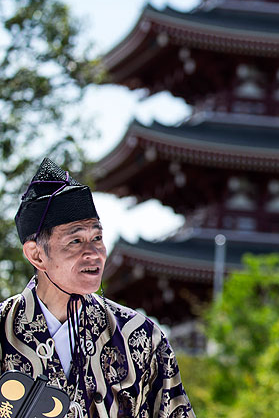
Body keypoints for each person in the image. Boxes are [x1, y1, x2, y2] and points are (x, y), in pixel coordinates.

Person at [0, 158, 195, 418]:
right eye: (76, 240)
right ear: (36, 255)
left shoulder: (142, 338)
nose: (93, 253)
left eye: (97, 238)